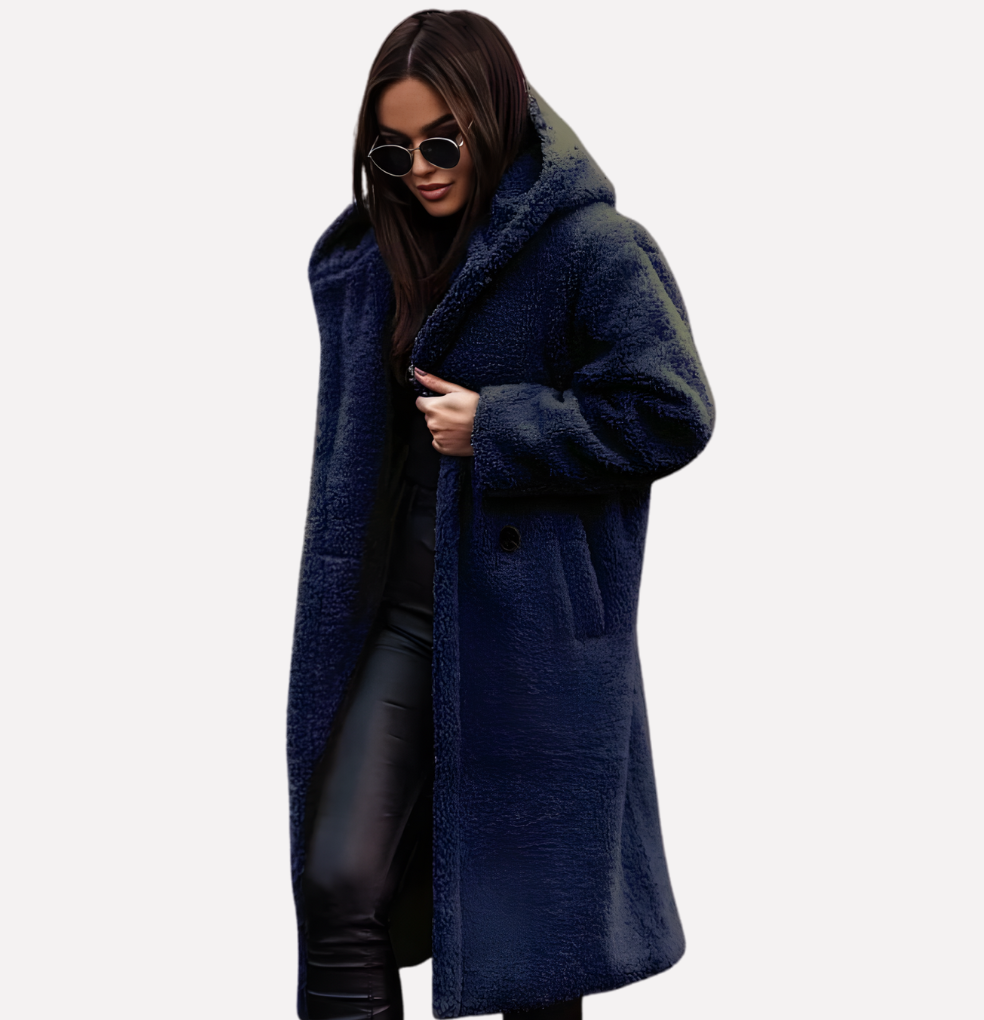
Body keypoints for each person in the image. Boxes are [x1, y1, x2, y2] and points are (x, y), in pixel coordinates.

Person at [287, 10, 715, 1020]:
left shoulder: (591, 249)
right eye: (393, 152)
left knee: (535, 940)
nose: (420, 170)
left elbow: (673, 411)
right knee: (337, 878)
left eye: (443, 143)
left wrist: (504, 426)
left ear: (493, 118)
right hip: (396, 615)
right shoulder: (374, 258)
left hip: (533, 633)